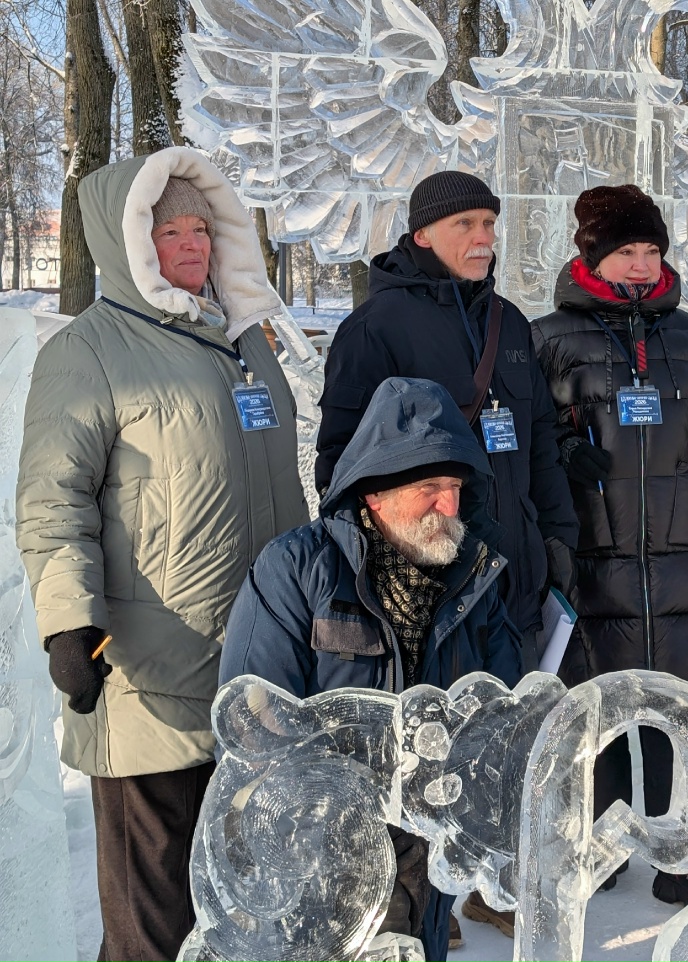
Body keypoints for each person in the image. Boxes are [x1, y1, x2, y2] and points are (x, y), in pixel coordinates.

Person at [15, 146, 309, 962]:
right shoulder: (89, 352)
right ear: (129, 242)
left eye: (200, 229)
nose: (190, 246)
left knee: (236, 908)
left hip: (254, 671)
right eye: (167, 230)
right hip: (148, 679)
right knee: (153, 928)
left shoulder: (249, 347)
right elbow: (52, 499)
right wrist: (70, 626)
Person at [222, 376, 523, 962]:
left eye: (457, 486)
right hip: (324, 851)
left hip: (429, 847)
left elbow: (501, 709)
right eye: (430, 486)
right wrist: (321, 830)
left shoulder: (473, 579)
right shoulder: (296, 570)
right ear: (374, 494)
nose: (450, 506)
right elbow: (253, 725)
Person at [530, 184, 688, 909]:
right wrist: (566, 451)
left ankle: (683, 857)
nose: (638, 265)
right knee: (593, 714)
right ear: (591, 256)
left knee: (681, 713)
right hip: (594, 558)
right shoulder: (550, 339)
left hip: (683, 557)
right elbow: (534, 441)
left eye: (649, 251)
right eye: (624, 251)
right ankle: (595, 850)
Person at [315, 170, 578, 677]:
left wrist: (557, 539)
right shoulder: (374, 328)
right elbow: (339, 466)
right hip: (431, 599)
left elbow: (540, 441)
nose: (483, 237)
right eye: (465, 224)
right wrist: (384, 576)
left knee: (514, 747)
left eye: (489, 223)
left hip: (516, 587)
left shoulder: (512, 323)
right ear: (422, 235)